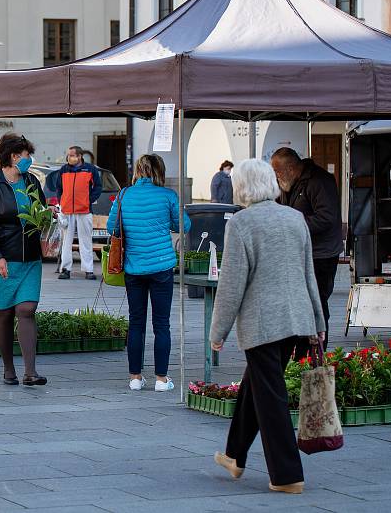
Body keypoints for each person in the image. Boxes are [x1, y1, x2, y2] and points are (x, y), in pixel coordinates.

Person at [209, 159, 325, 495]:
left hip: (262, 324)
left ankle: (287, 475)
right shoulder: (295, 218)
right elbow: (308, 274)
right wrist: (317, 321)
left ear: (242, 186)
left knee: (270, 397)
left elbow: (232, 283)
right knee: (255, 388)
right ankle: (234, 455)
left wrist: (218, 333)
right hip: (296, 320)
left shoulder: (242, 223)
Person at [106, 154, 190, 392]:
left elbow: (113, 226)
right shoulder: (168, 196)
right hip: (162, 266)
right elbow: (183, 225)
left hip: (134, 267)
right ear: (159, 171)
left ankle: (135, 377)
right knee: (162, 324)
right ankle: (162, 379)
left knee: (136, 322)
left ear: (138, 171)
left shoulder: (124, 195)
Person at [0, 133, 47, 386]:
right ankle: (8, 369)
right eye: (27, 155)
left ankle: (31, 371)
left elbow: (41, 212)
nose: (30, 160)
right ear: (14, 156)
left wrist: (48, 226)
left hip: (29, 258)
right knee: (4, 314)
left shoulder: (31, 181)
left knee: (27, 309)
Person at [270, 147, 343, 354]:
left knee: (317, 302)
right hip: (300, 253)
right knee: (300, 303)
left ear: (291, 168)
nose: (275, 176)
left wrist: (293, 224)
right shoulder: (288, 183)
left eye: (278, 171)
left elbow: (326, 218)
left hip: (322, 254)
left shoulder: (320, 181)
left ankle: (315, 353)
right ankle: (302, 352)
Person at [52, 145, 102, 280]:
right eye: (68, 155)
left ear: (79, 156)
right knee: (66, 242)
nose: (69, 157)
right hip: (67, 210)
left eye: (72, 155)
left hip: (84, 210)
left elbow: (98, 187)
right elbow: (58, 187)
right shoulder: (63, 170)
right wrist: (62, 201)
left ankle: (89, 270)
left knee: (85, 241)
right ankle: (65, 269)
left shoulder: (90, 169)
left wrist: (88, 200)